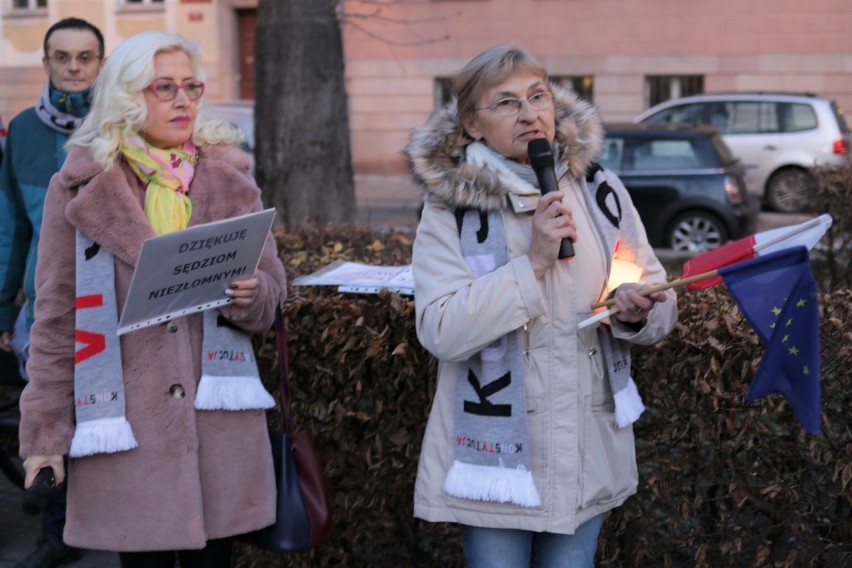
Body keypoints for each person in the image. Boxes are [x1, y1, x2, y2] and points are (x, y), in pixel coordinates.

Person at [17, 30, 286, 568]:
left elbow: (272, 289)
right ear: (126, 95)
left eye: (191, 86)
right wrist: (45, 433)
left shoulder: (230, 179)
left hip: (218, 429)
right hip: (129, 432)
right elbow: (56, 315)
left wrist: (253, 295)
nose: (183, 99)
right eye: (164, 87)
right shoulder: (79, 187)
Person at [405, 45, 678, 567]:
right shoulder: (451, 209)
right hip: (498, 461)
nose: (530, 114)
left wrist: (634, 312)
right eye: (506, 103)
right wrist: (531, 263)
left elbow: (657, 298)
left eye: (538, 97)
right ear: (472, 124)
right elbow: (440, 329)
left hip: (585, 448)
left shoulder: (601, 191)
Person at [0, 17, 104, 568]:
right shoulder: (22, 132)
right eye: (62, 57)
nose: (73, 67)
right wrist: (2, 309)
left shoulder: (122, 127)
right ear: (46, 63)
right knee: (47, 417)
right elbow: (11, 225)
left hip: (113, 304)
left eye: (85, 57)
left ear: (100, 65)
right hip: (47, 307)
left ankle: (122, 524)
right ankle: (57, 535)